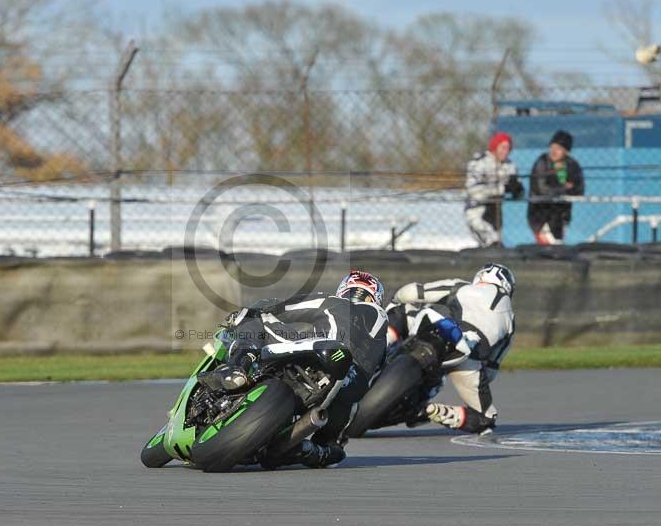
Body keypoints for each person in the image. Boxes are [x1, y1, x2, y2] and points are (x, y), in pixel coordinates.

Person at [198, 269, 388, 468]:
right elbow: (376, 378)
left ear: (344, 290)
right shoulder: (383, 341)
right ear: (377, 298)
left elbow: (286, 308)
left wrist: (253, 311)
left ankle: (239, 368)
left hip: (322, 354)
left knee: (257, 320)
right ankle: (312, 450)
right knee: (335, 446)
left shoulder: (336, 302)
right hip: (349, 390)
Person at [385, 263, 516, 434]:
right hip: (469, 356)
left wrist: (393, 303)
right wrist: (478, 380)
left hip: (442, 333)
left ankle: (380, 345)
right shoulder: (511, 320)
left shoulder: (462, 287)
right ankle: (433, 411)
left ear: (481, 276)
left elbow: (413, 292)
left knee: (403, 308)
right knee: (486, 419)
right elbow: (491, 368)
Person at [465, 132, 525, 247]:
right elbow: (473, 190)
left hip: (496, 212)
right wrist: (502, 189)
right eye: (503, 147)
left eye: (508, 148)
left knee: (495, 245)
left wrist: (517, 189)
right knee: (491, 242)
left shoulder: (510, 165)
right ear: (494, 147)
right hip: (477, 211)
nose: (506, 151)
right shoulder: (479, 163)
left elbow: (517, 188)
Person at [528, 130, 585, 244]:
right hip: (541, 215)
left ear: (566, 151)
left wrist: (564, 189)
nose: (553, 151)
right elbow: (542, 189)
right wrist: (564, 188)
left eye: (558, 148)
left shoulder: (572, 165)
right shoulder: (542, 162)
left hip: (561, 215)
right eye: (552, 147)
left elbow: (579, 189)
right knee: (548, 247)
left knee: (557, 246)